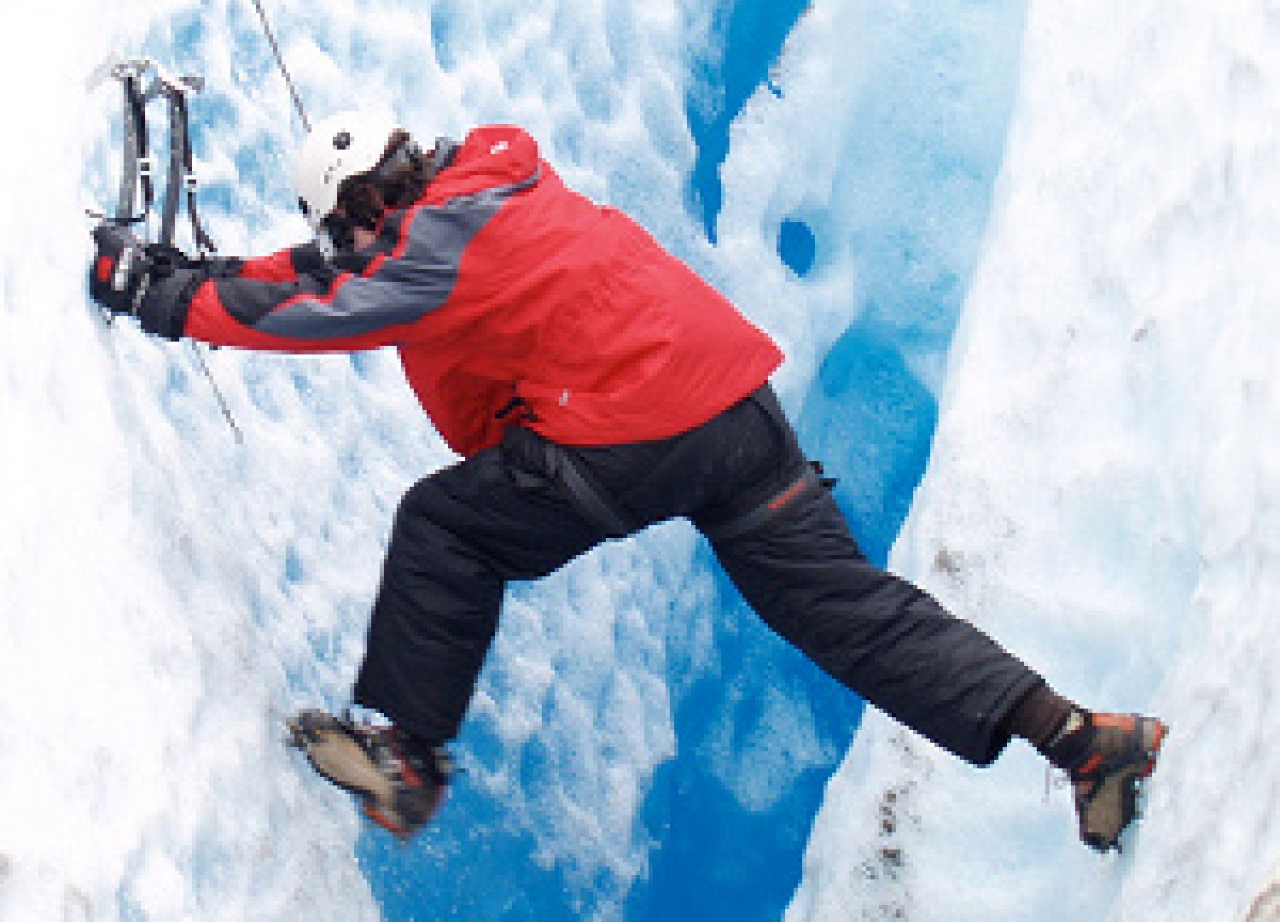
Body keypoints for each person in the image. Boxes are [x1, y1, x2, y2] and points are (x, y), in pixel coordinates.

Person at [88, 109, 1166, 853]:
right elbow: (336, 273)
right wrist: (211, 278)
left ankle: (409, 758)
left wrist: (161, 298)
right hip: (738, 417)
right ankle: (1081, 739)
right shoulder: (486, 194)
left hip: (636, 433)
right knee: (848, 613)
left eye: (346, 221)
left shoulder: (435, 247)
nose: (348, 241)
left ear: (368, 199)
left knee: (445, 525)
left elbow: (337, 301)